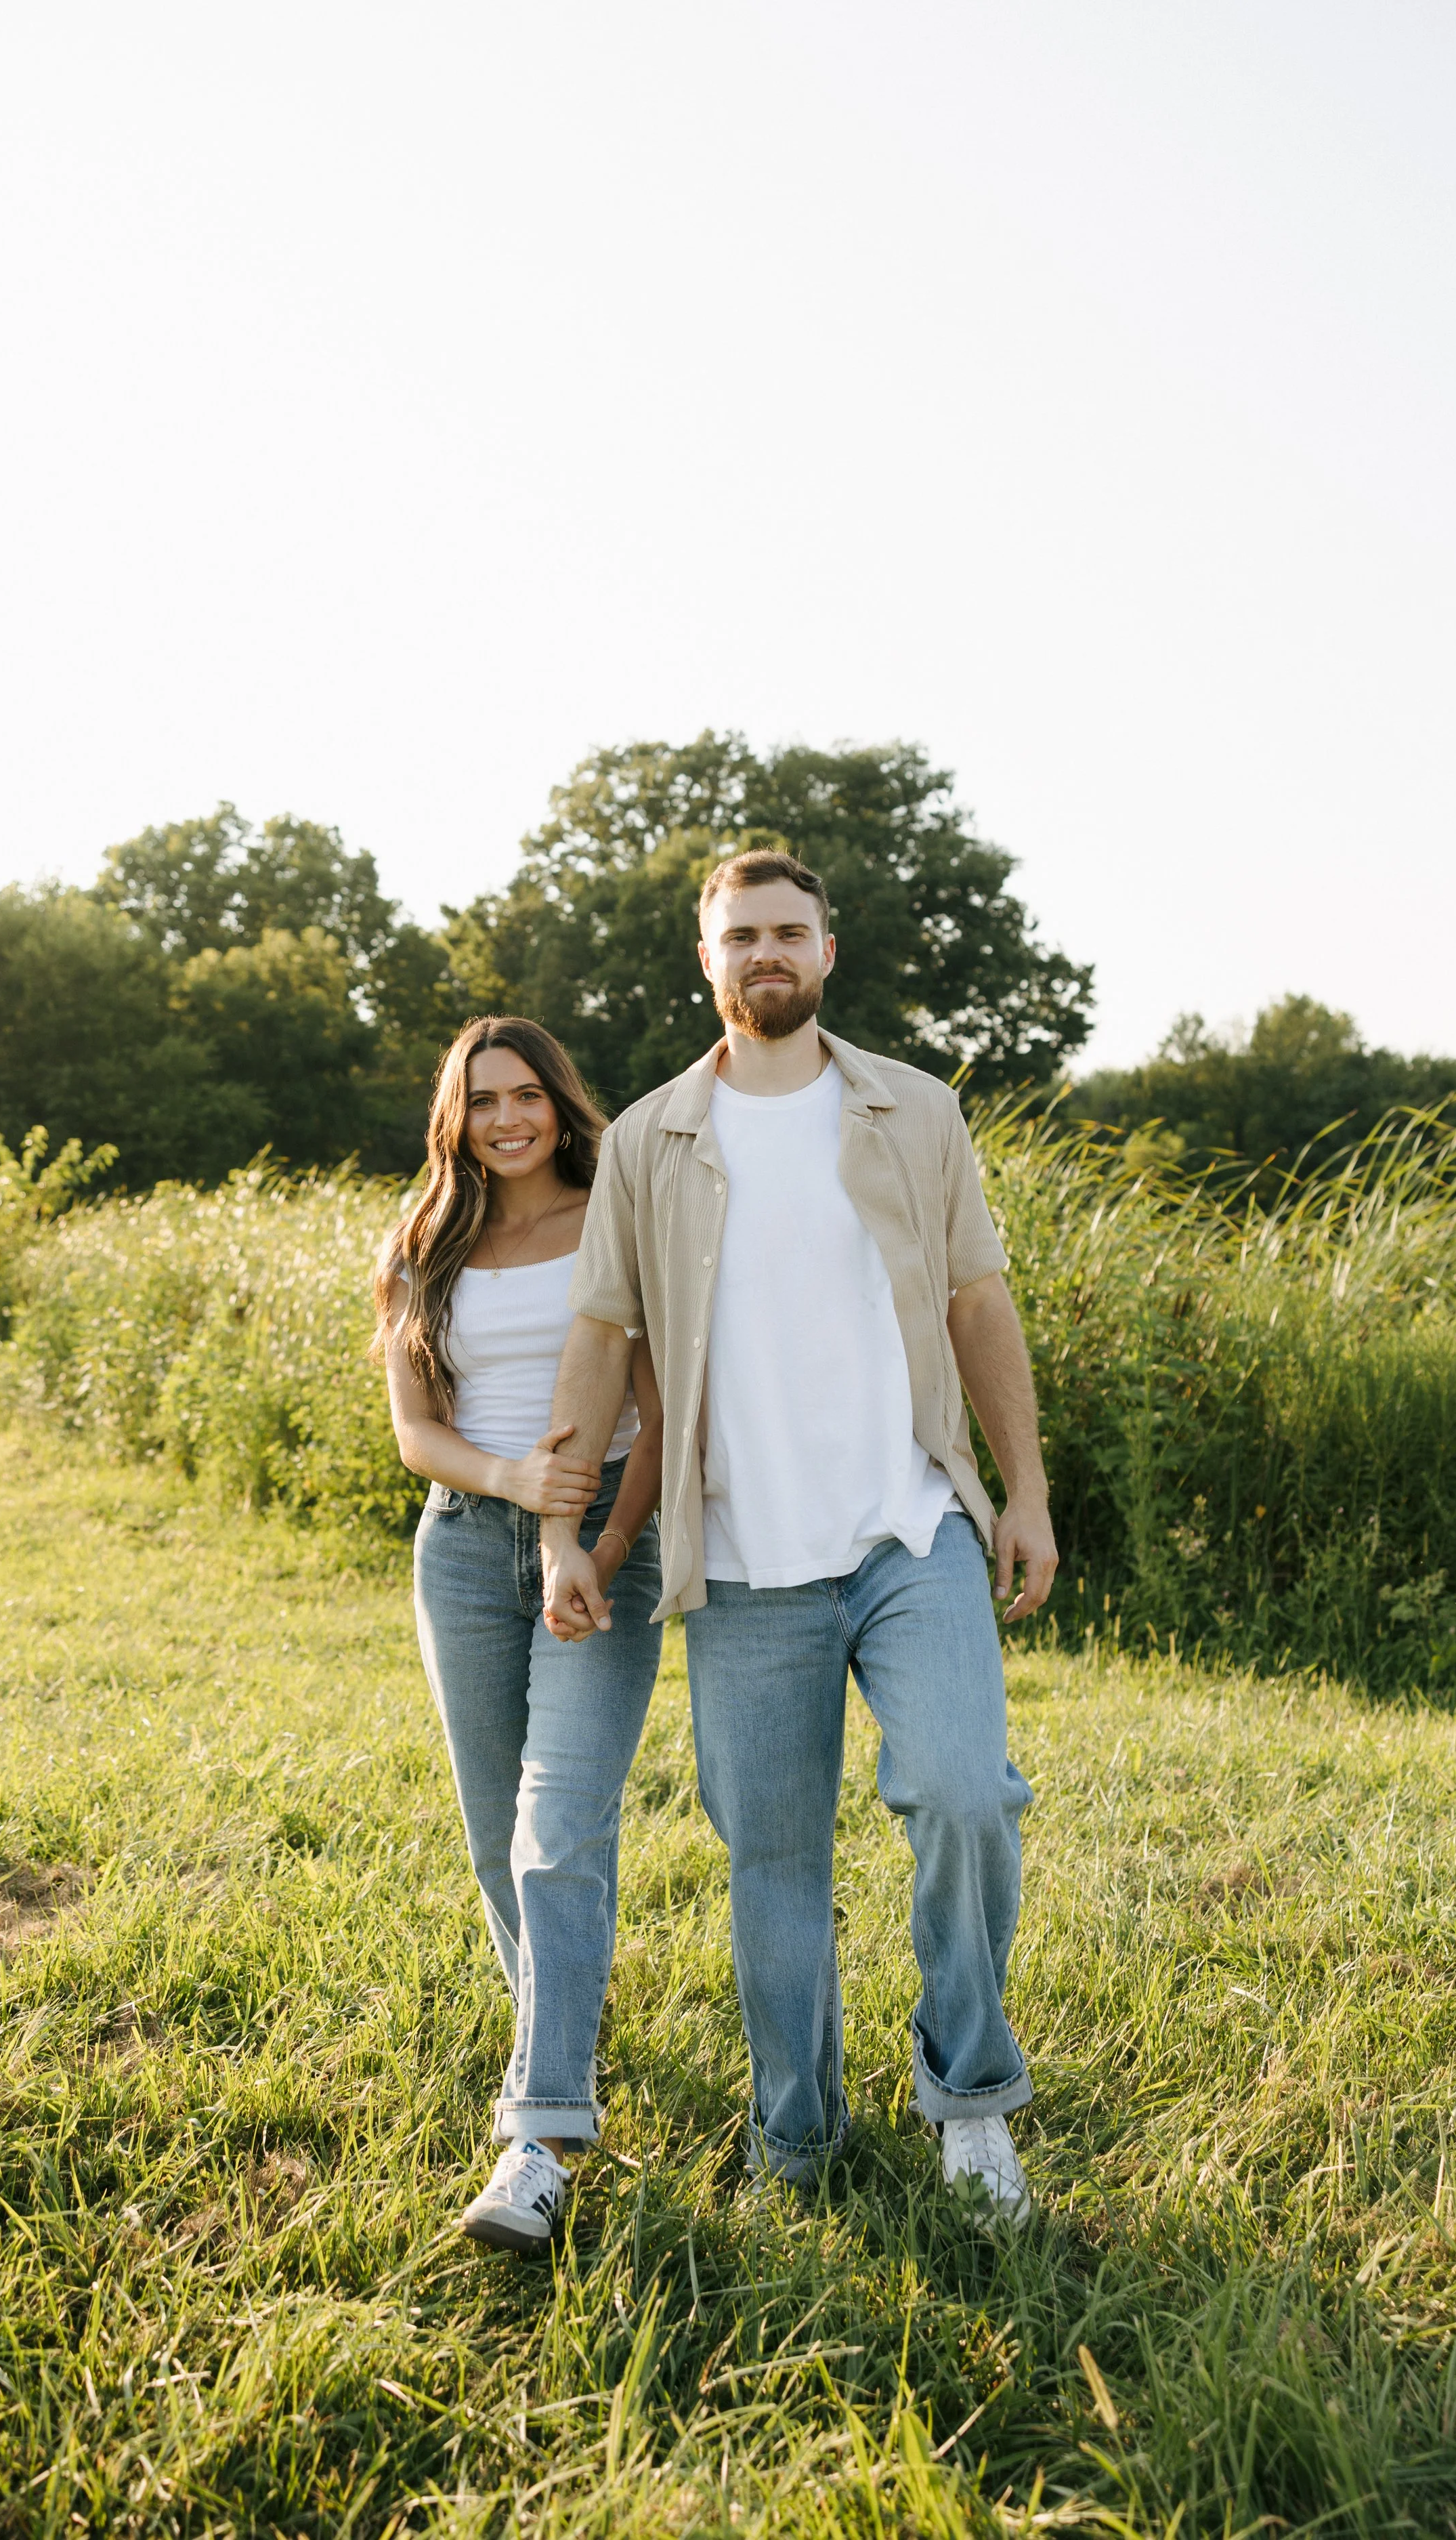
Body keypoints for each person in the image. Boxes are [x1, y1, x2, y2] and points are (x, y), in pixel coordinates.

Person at [538, 849, 1057, 2226]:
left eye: (788, 931)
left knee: (964, 1792)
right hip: (743, 1561)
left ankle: (969, 2101)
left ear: (827, 951)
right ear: (705, 960)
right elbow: (600, 1336)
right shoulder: (648, 1140)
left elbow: (977, 1300)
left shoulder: (915, 1108)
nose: (764, 952)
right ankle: (799, 2141)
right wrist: (561, 1527)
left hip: (910, 1529)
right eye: (740, 935)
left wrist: (1025, 1491)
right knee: (773, 1866)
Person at [374, 1017, 664, 2253]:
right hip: (462, 1543)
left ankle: (538, 2138)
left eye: (527, 1094)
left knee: (561, 1826)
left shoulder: (616, 1220)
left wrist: (602, 1544)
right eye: (484, 1099)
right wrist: (512, 1481)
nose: (508, 1119)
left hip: (604, 1538)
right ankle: (563, 2033)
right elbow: (417, 1434)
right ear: (457, 1116)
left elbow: (659, 1418)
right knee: (499, 1837)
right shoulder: (422, 1243)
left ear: (560, 1101)